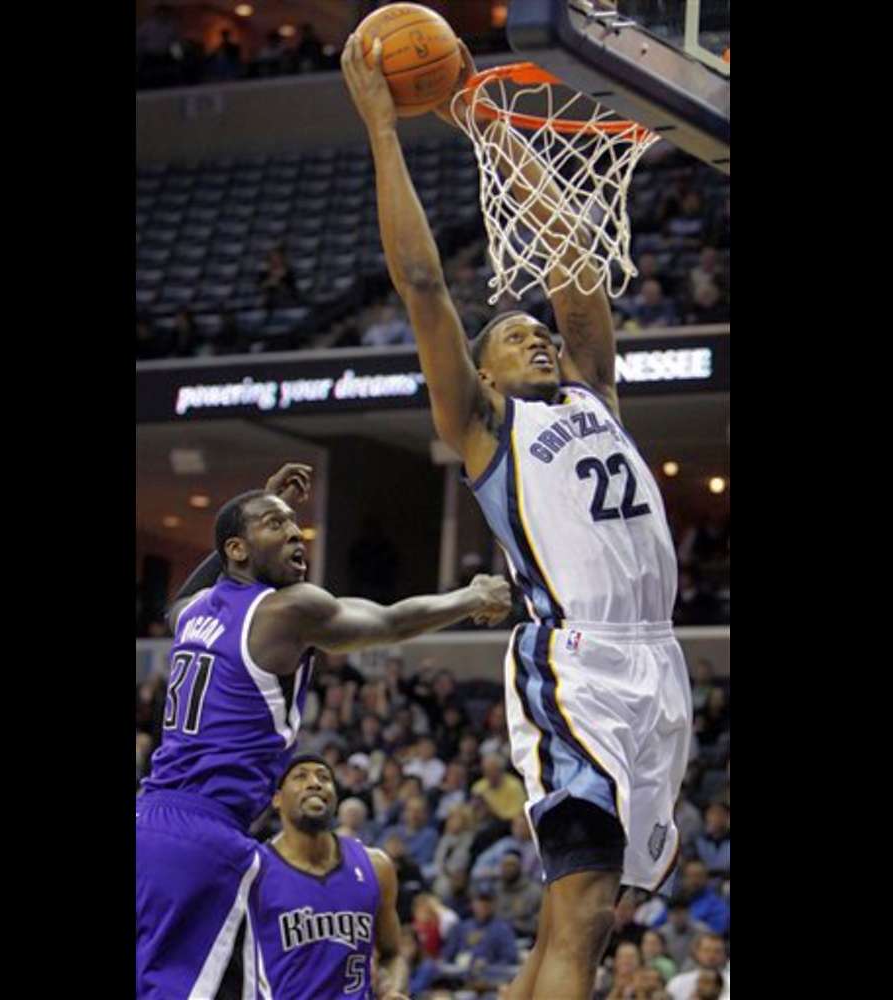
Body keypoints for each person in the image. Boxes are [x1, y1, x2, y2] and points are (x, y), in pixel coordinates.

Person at [343, 36, 694, 1000]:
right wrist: (386, 125)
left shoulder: (595, 397)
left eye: (537, 330)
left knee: (578, 916)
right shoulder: (483, 427)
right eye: (510, 334)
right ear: (484, 371)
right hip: (574, 664)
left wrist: (490, 126)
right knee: (579, 912)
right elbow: (423, 287)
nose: (535, 335)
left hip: (655, 664)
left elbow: (574, 262)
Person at [135, 463, 511, 999]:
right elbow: (388, 623)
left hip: (149, 820)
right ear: (238, 551)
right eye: (274, 523)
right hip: (205, 837)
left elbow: (175, 601)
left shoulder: (196, 612)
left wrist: (253, 511)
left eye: (295, 524)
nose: (294, 532)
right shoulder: (287, 609)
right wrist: (471, 597)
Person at [248, 754, 409, 999]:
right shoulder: (253, 871)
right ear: (277, 798)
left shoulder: (376, 866)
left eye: (324, 777)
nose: (315, 783)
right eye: (300, 776)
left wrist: (392, 989)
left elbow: (392, 954)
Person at [664, 933, 729, 999]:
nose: (711, 956)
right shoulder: (678, 982)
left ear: (724, 955)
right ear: (696, 953)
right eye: (706, 950)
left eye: (717, 951)